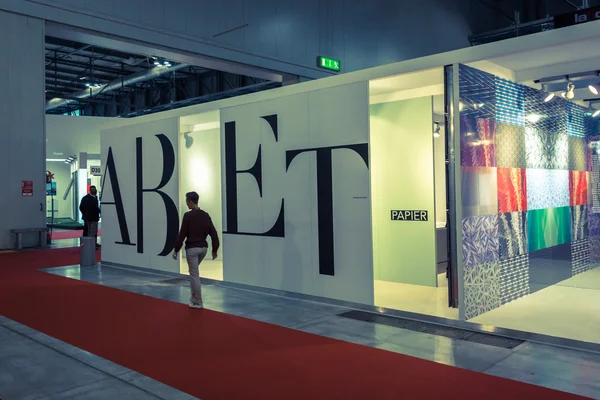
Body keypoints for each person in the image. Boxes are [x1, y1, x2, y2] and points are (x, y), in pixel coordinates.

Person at [173, 191, 219, 309]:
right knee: (193, 272)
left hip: (192, 249)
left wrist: (176, 249)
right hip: (203, 249)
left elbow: (182, 234)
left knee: (194, 275)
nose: (186, 204)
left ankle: (198, 302)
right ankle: (193, 298)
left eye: (186, 201)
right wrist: (214, 250)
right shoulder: (206, 215)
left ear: (190, 202)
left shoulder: (188, 216)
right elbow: (214, 234)